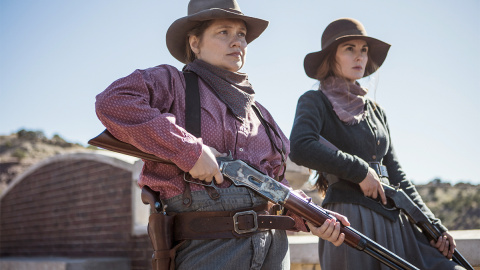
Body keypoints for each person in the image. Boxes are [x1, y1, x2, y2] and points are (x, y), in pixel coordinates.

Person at [95, 1, 348, 269]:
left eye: (241, 34)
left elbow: (276, 186)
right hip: (207, 248)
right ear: (195, 43)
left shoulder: (262, 115)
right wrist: (189, 151)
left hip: (274, 251)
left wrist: (311, 216)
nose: (237, 42)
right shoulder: (173, 84)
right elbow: (112, 102)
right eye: (223, 32)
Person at [289, 18, 465, 270]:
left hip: (395, 218)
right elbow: (300, 146)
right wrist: (360, 171)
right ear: (331, 57)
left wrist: (433, 224)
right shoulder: (314, 101)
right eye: (349, 49)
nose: (359, 56)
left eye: (363, 50)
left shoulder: (376, 111)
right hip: (350, 221)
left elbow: (397, 173)